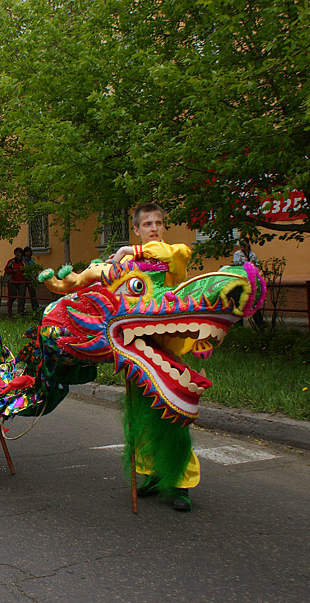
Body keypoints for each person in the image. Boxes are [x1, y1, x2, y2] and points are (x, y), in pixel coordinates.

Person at [111, 202, 197, 511]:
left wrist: (127, 251)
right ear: (137, 228)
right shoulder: (129, 264)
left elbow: (175, 255)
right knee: (140, 414)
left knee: (173, 412)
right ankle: (148, 475)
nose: (154, 228)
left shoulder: (172, 253)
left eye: (159, 223)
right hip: (137, 347)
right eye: (147, 224)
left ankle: (179, 482)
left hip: (168, 347)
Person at [3, 248, 27, 315]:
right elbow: (6, 269)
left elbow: (27, 270)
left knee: (21, 296)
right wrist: (12, 271)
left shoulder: (23, 262)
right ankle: (9, 309)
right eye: (16, 253)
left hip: (22, 282)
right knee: (12, 296)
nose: (18, 254)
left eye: (19, 253)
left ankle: (20, 311)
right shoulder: (11, 261)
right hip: (13, 281)